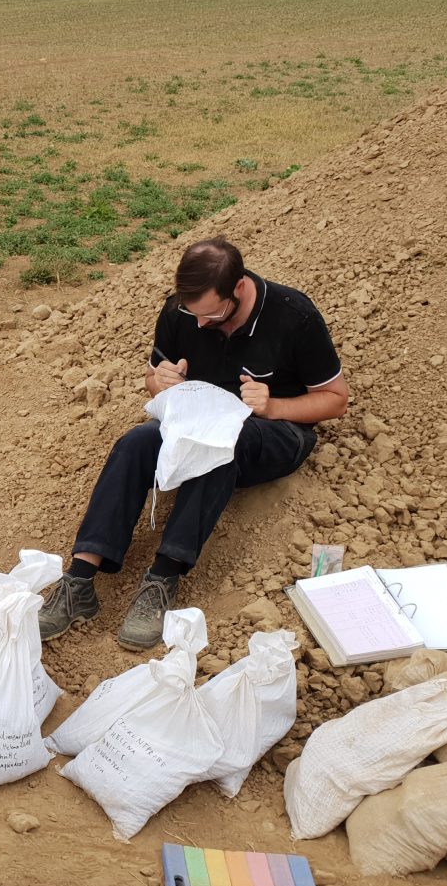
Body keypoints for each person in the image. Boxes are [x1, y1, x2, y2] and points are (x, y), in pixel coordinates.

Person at [40, 237, 349, 651]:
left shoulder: (294, 317)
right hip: (197, 419)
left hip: (275, 433)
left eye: (213, 315)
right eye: (193, 313)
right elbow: (153, 378)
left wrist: (272, 405)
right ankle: (79, 580)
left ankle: (163, 578)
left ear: (238, 288)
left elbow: (336, 400)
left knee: (219, 447)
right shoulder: (182, 311)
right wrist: (160, 380)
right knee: (134, 443)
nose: (200, 324)